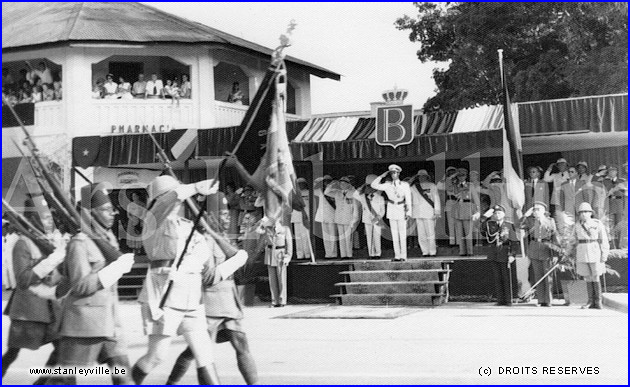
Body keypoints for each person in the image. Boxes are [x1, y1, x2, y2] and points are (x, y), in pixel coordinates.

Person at [131, 175, 249, 384]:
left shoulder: (188, 226)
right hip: (164, 299)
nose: (176, 200)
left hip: (193, 301)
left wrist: (236, 261)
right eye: (171, 195)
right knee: (156, 356)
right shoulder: (152, 223)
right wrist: (194, 187)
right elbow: (165, 203)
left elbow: (208, 275)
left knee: (205, 356)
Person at [165, 192, 258, 385]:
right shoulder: (203, 240)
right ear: (210, 217)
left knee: (241, 345)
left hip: (228, 303)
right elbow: (207, 277)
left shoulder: (221, 237)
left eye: (227, 214)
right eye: (222, 215)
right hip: (209, 304)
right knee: (198, 353)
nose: (227, 218)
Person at [54, 183, 135, 384]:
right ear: (91, 213)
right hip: (85, 324)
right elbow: (80, 286)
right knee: (64, 381)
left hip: (110, 323)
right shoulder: (79, 242)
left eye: (112, 209)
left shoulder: (108, 239)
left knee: (125, 379)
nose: (113, 214)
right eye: (107, 210)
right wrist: (114, 270)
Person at [2, 195, 65, 382]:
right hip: (28, 310)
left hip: (49, 309)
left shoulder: (48, 240)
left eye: (48, 216)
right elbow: (23, 279)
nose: (48, 221)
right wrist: (48, 264)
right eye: (42, 216)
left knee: (62, 350)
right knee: (12, 353)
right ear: (32, 219)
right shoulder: (23, 243)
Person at [566, 202, 609, 309]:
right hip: (582, 252)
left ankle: (598, 301)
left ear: (590, 213)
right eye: (581, 212)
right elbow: (572, 240)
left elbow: (604, 240)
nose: (583, 214)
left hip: (594, 251)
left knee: (596, 275)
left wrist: (604, 254)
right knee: (587, 277)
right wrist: (567, 252)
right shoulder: (577, 225)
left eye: (586, 212)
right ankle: (590, 301)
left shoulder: (597, 224)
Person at [520, 201, 561, 307]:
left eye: (538, 209)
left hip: (546, 249)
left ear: (543, 211)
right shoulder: (530, 221)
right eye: (534, 210)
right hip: (534, 248)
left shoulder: (550, 221)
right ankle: (541, 299)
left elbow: (555, 237)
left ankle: (548, 300)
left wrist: (556, 254)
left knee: (547, 276)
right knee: (538, 275)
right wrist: (525, 215)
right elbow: (519, 225)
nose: (536, 212)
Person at [371, 164, 412, 261]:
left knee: (402, 234)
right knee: (394, 234)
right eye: (392, 173)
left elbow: (408, 199)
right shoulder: (387, 185)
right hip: (392, 209)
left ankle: (403, 256)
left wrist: (409, 212)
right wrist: (382, 176)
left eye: (395, 172)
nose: (394, 174)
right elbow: (373, 185)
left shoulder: (405, 185)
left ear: (399, 173)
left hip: (401, 208)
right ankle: (397, 256)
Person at [480, 205, 517, 306]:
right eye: (495, 213)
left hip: (505, 252)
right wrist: (484, 216)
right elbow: (481, 229)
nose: (497, 215)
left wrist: (512, 254)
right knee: (497, 277)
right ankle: (500, 300)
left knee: (506, 277)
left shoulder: (509, 225)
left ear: (504, 214)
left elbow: (514, 241)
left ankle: (508, 300)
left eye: (499, 213)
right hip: (493, 252)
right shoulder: (489, 224)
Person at [259, 216, 292, 307]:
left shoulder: (285, 229)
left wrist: (288, 256)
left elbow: (289, 244)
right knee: (272, 279)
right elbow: (258, 232)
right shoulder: (267, 228)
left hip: (280, 253)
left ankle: (282, 300)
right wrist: (262, 223)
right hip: (270, 253)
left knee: (281, 278)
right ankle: (275, 301)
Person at [409, 169, 441, 256]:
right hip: (418, 213)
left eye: (423, 176)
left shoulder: (432, 186)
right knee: (421, 234)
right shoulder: (414, 187)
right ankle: (425, 251)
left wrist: (437, 211)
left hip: (429, 212)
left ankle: (432, 252)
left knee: (430, 233)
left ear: (426, 177)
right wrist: (411, 180)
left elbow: (436, 199)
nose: (421, 178)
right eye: (419, 176)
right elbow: (405, 190)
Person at [353, 175, 386, 259]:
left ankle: (378, 253)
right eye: (368, 187)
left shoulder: (380, 197)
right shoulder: (363, 197)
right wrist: (364, 185)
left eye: (371, 187)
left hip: (377, 220)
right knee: (369, 237)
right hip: (367, 219)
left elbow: (382, 210)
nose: (369, 189)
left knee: (376, 236)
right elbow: (355, 194)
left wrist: (378, 217)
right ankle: (371, 254)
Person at [325, 176, 357, 259]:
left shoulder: (352, 192)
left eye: (344, 183)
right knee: (341, 237)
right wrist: (332, 184)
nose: (342, 185)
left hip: (348, 217)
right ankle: (343, 255)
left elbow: (355, 206)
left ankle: (349, 254)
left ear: (348, 184)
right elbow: (326, 192)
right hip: (339, 217)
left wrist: (354, 219)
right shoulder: (337, 192)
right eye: (341, 183)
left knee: (348, 238)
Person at [452, 168, 480, 256]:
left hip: (468, 209)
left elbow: (475, 198)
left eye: (463, 175)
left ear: (466, 176)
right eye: (459, 176)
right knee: (459, 233)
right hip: (457, 210)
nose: (461, 178)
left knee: (468, 233)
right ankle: (462, 251)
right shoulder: (454, 185)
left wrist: (478, 211)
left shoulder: (470, 185)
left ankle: (470, 251)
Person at [603, 166, 627, 248]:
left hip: (620, 205)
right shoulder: (605, 182)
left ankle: (619, 245)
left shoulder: (621, 181)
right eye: (610, 171)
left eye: (613, 170)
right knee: (610, 227)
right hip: (609, 205)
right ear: (608, 172)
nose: (612, 172)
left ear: (616, 171)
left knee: (619, 226)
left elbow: (624, 194)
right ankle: (613, 246)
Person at [314, 175, 337, 258]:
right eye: (325, 181)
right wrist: (317, 181)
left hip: (332, 215)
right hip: (323, 216)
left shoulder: (335, 190)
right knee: (326, 237)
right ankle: (328, 254)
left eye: (328, 181)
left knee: (332, 236)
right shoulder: (320, 190)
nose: (326, 182)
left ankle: (333, 254)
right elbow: (311, 190)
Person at [291, 178, 312, 260]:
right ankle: (300, 255)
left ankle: (307, 254)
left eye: (302, 183)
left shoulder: (309, 192)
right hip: (296, 216)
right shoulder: (294, 193)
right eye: (298, 184)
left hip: (306, 216)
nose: (300, 185)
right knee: (298, 237)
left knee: (305, 237)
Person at [437, 166, 458, 246]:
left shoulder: (458, 181)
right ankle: (452, 242)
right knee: (451, 223)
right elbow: (439, 186)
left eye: (453, 172)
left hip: (458, 202)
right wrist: (445, 177)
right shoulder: (445, 181)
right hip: (450, 201)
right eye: (450, 172)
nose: (452, 174)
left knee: (458, 223)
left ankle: (459, 242)